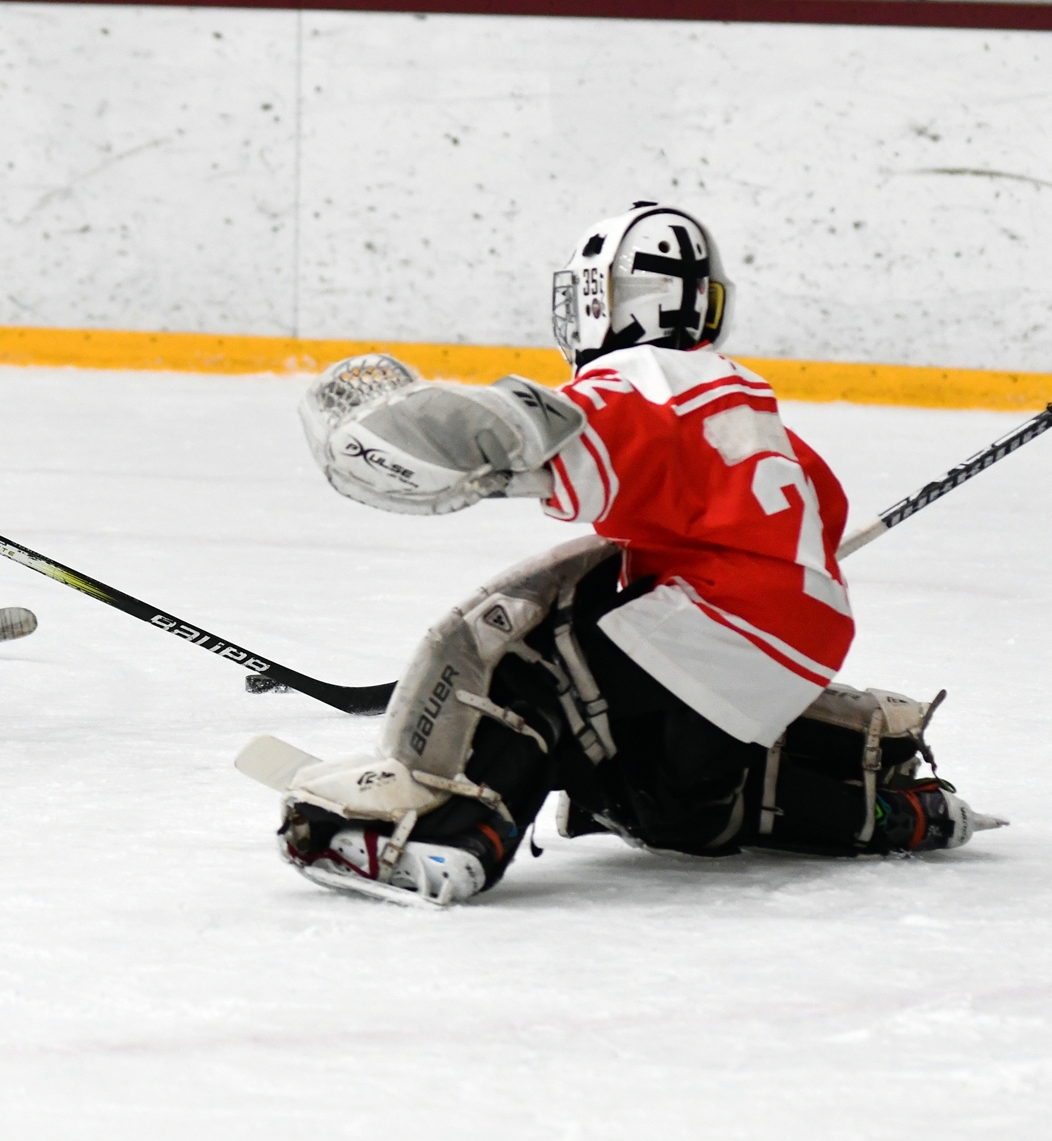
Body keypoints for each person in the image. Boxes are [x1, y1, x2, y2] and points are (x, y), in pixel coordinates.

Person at [251, 202, 1001, 907]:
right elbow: (821, 511)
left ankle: (455, 836)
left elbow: (541, 429)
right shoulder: (743, 395)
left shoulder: (647, 373)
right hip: (803, 630)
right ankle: (896, 811)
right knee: (666, 804)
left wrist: (417, 424)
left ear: (606, 298)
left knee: (532, 663)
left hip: (721, 614)